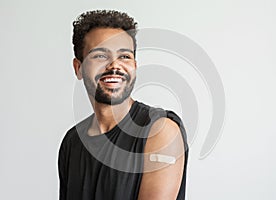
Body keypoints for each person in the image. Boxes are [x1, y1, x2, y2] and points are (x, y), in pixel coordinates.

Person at [58, 10, 189, 200]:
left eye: (124, 56)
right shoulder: (72, 142)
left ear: (134, 66)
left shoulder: (160, 131)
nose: (114, 66)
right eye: (100, 56)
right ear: (78, 68)